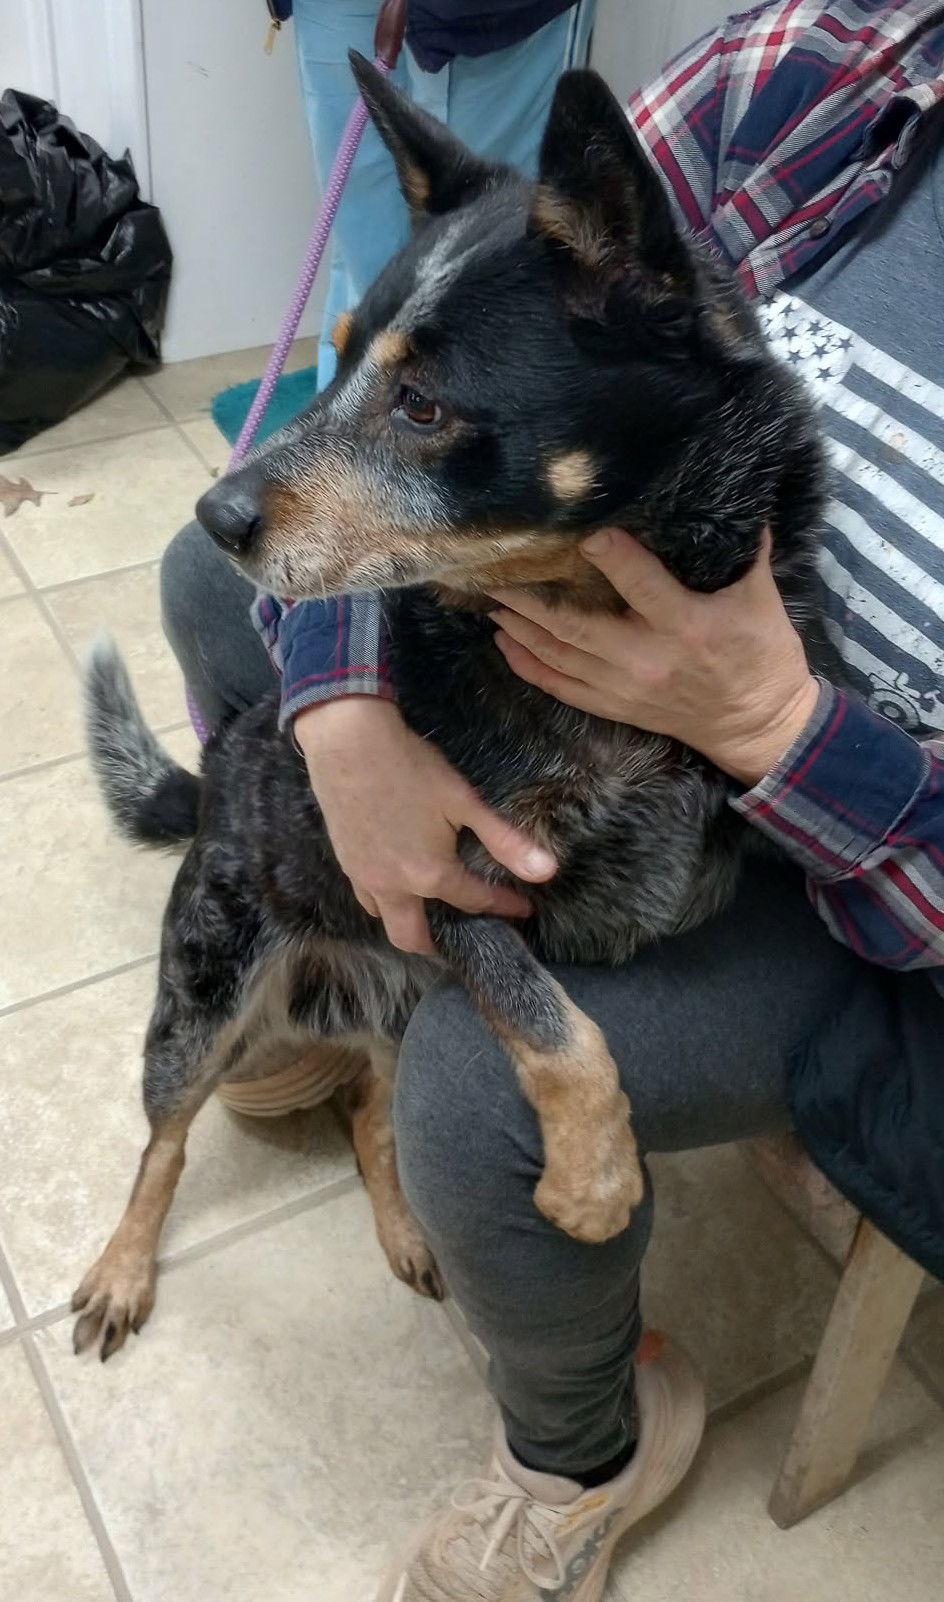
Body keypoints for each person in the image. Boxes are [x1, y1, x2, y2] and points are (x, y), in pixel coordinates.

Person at [161, 3, 944, 1598]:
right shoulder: (833, 60)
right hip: (598, 630)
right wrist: (345, 713)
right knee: (211, 572)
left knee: (478, 1096)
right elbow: (501, 274)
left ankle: (577, 1449)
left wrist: (777, 727)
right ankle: (331, 943)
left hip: (867, 876)